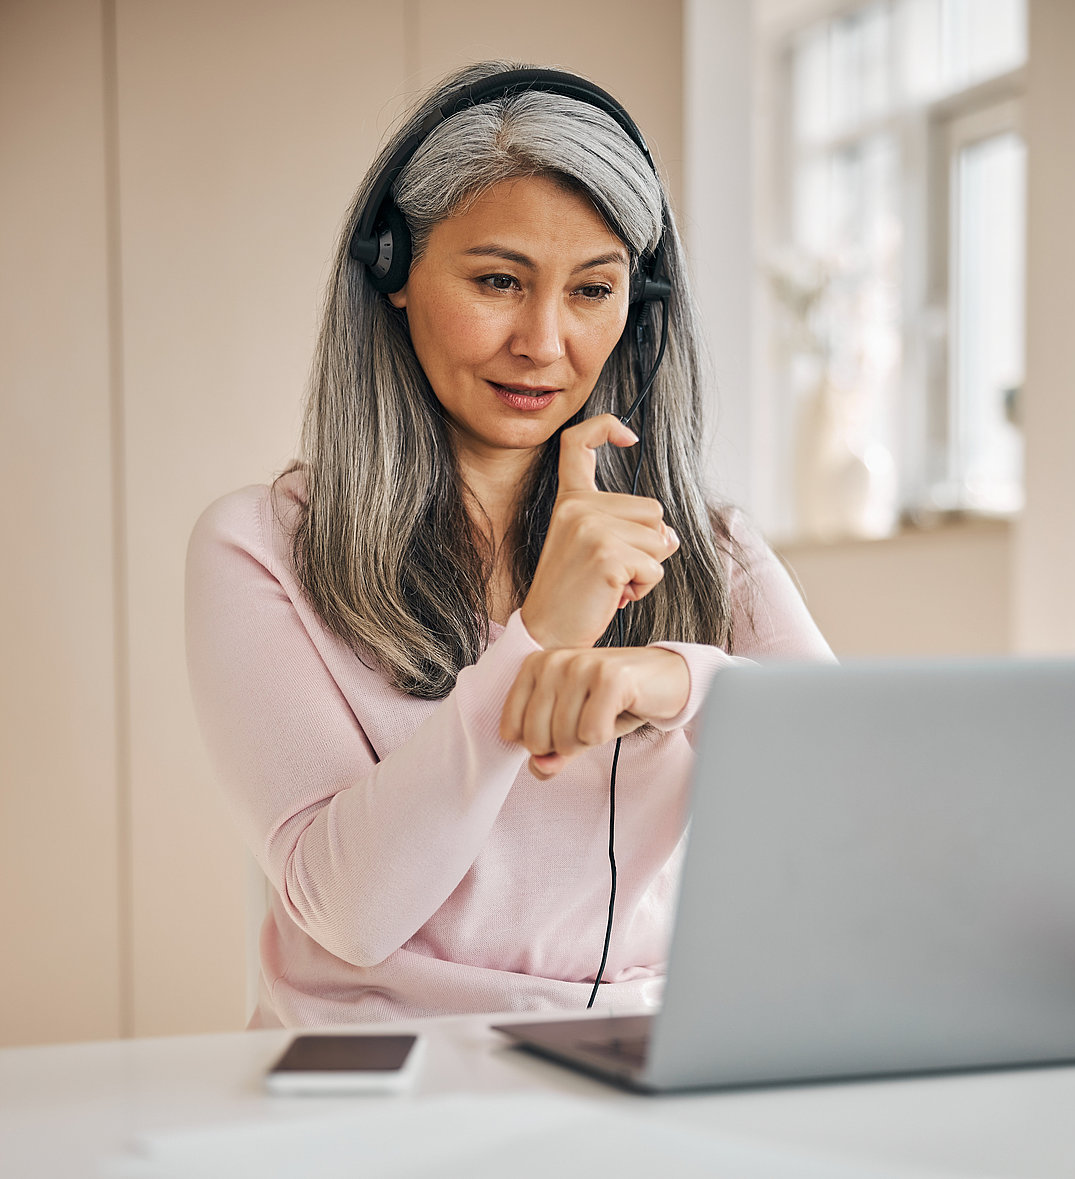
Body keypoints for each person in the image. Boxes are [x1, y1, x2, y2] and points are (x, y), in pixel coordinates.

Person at [185, 61, 833, 1029]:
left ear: (641, 304)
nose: (545, 340)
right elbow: (351, 913)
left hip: (639, 1051)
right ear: (395, 271)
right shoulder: (260, 547)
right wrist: (538, 638)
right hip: (380, 1073)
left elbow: (854, 795)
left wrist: (673, 677)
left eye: (593, 290)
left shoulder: (710, 546)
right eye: (499, 281)